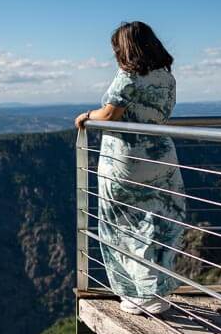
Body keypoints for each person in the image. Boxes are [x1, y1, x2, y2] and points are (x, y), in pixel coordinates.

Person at [75, 21, 186, 315]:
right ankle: (159, 291)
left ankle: (139, 295)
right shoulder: (166, 77)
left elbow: (110, 113)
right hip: (161, 155)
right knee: (158, 221)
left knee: (122, 223)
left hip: (127, 157)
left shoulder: (128, 76)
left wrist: (87, 116)